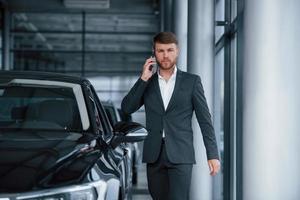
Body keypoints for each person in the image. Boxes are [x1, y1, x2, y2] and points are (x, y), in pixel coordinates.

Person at [121, 32, 220, 200]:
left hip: (181, 155)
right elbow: (127, 108)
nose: (165, 55)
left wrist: (213, 154)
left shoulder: (192, 82)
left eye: (169, 50)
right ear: (154, 53)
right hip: (155, 155)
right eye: (160, 51)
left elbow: (205, 120)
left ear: (177, 51)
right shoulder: (148, 83)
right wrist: (143, 78)